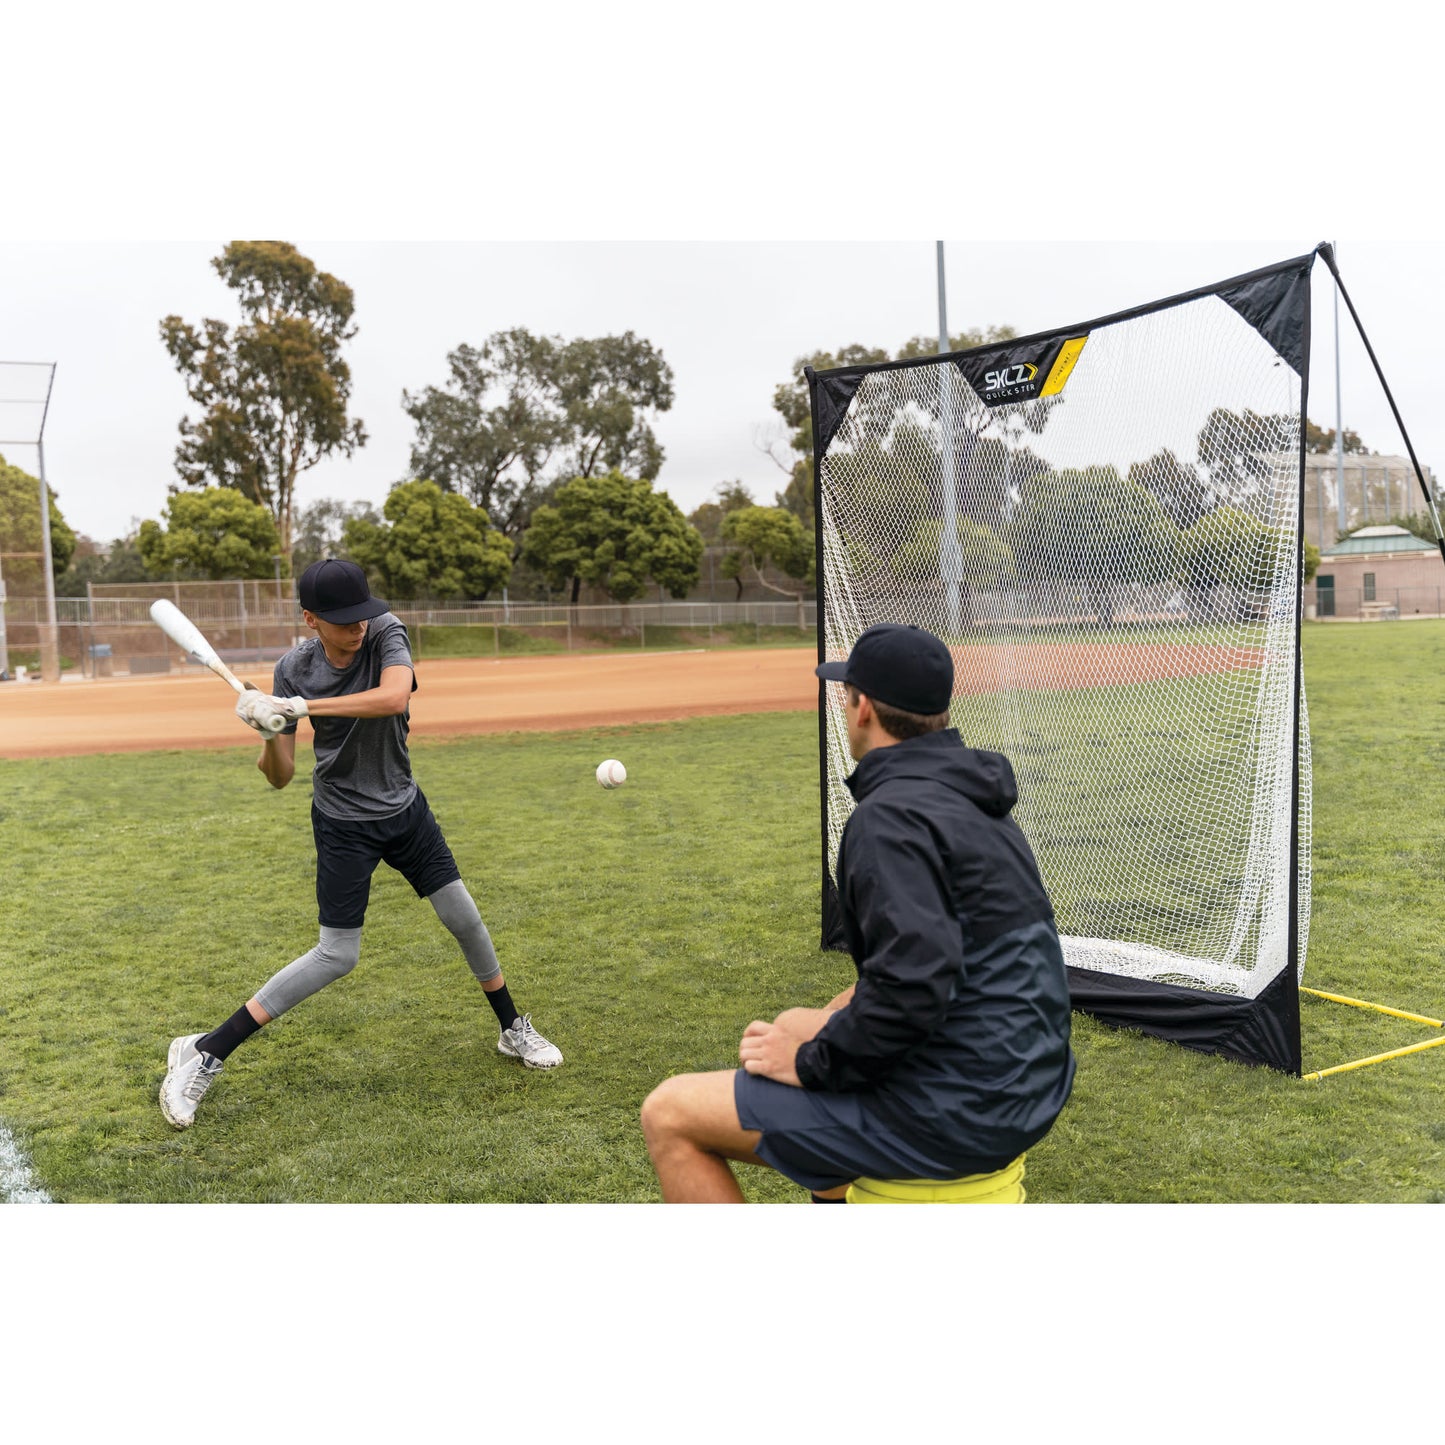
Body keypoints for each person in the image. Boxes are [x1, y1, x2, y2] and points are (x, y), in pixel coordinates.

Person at [641, 623, 1075, 1202]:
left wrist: (812, 1063)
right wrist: (811, 1035)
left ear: (862, 706)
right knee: (796, 1021)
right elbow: (943, 960)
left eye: (845, 696)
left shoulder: (888, 817)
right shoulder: (975, 801)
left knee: (669, 1112)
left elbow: (913, 985)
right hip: (1025, 1082)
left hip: (960, 1111)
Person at [160, 559, 562, 1130]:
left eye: (362, 617)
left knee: (465, 918)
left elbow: (393, 697)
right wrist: (271, 729)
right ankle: (204, 1050)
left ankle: (512, 1029)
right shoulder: (292, 669)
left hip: (404, 809)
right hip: (343, 821)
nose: (358, 628)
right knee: (336, 955)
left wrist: (303, 708)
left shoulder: (386, 633)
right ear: (310, 620)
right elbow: (279, 775)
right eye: (342, 621)